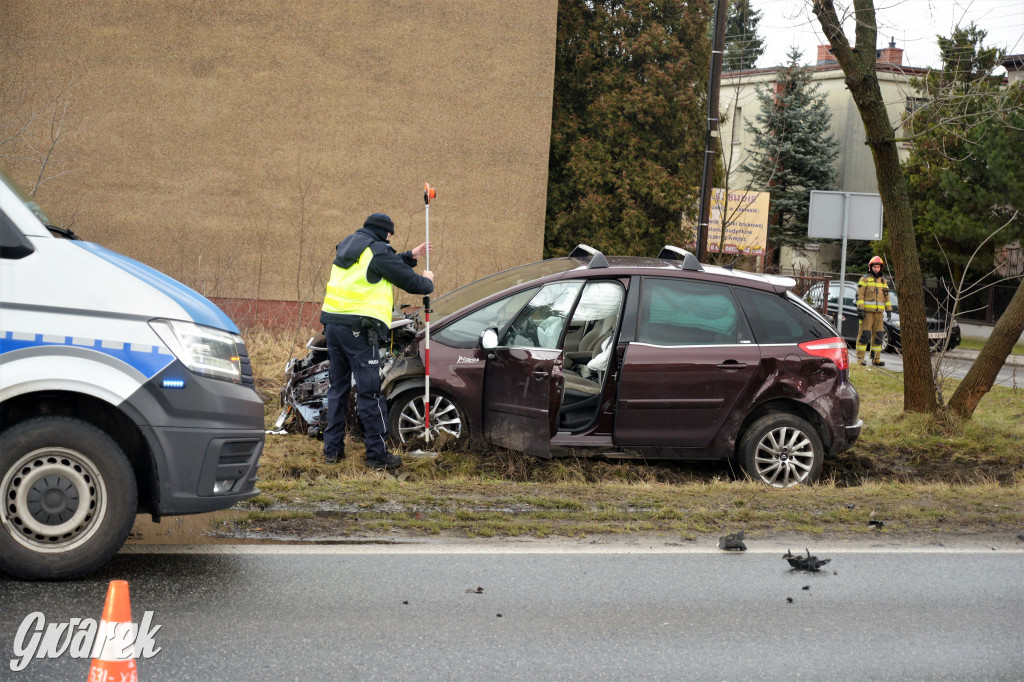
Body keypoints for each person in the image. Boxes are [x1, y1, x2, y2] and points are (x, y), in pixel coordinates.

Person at [320, 213, 434, 469]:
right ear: (386, 233)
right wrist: (428, 282)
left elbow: (380, 263)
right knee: (370, 392)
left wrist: (410, 255)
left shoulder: (349, 245)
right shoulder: (378, 250)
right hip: (359, 330)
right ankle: (377, 455)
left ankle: (332, 451)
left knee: (337, 388)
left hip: (333, 326)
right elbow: (411, 282)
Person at [856, 255, 892, 367]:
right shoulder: (864, 279)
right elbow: (860, 296)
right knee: (864, 335)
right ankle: (860, 359)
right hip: (867, 313)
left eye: (878, 267)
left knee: (879, 336)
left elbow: (887, 297)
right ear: (870, 267)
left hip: (879, 313)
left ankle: (876, 359)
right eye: (874, 267)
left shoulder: (883, 281)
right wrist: (860, 309)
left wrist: (889, 310)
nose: (876, 269)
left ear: (881, 268)